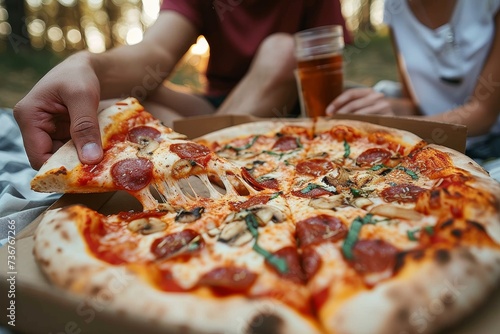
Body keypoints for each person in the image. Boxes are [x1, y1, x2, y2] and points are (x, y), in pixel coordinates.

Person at [14, 0, 350, 170]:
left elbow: (326, 55)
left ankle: (198, 157)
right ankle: (204, 153)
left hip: (282, 111)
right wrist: (85, 64)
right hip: (220, 106)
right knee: (121, 94)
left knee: (283, 49)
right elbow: (153, 53)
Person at [326, 0, 500, 161]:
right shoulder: (394, 7)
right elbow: (416, 105)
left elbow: (483, 114)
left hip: (490, 146)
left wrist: (399, 127)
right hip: (430, 145)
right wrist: (378, 106)